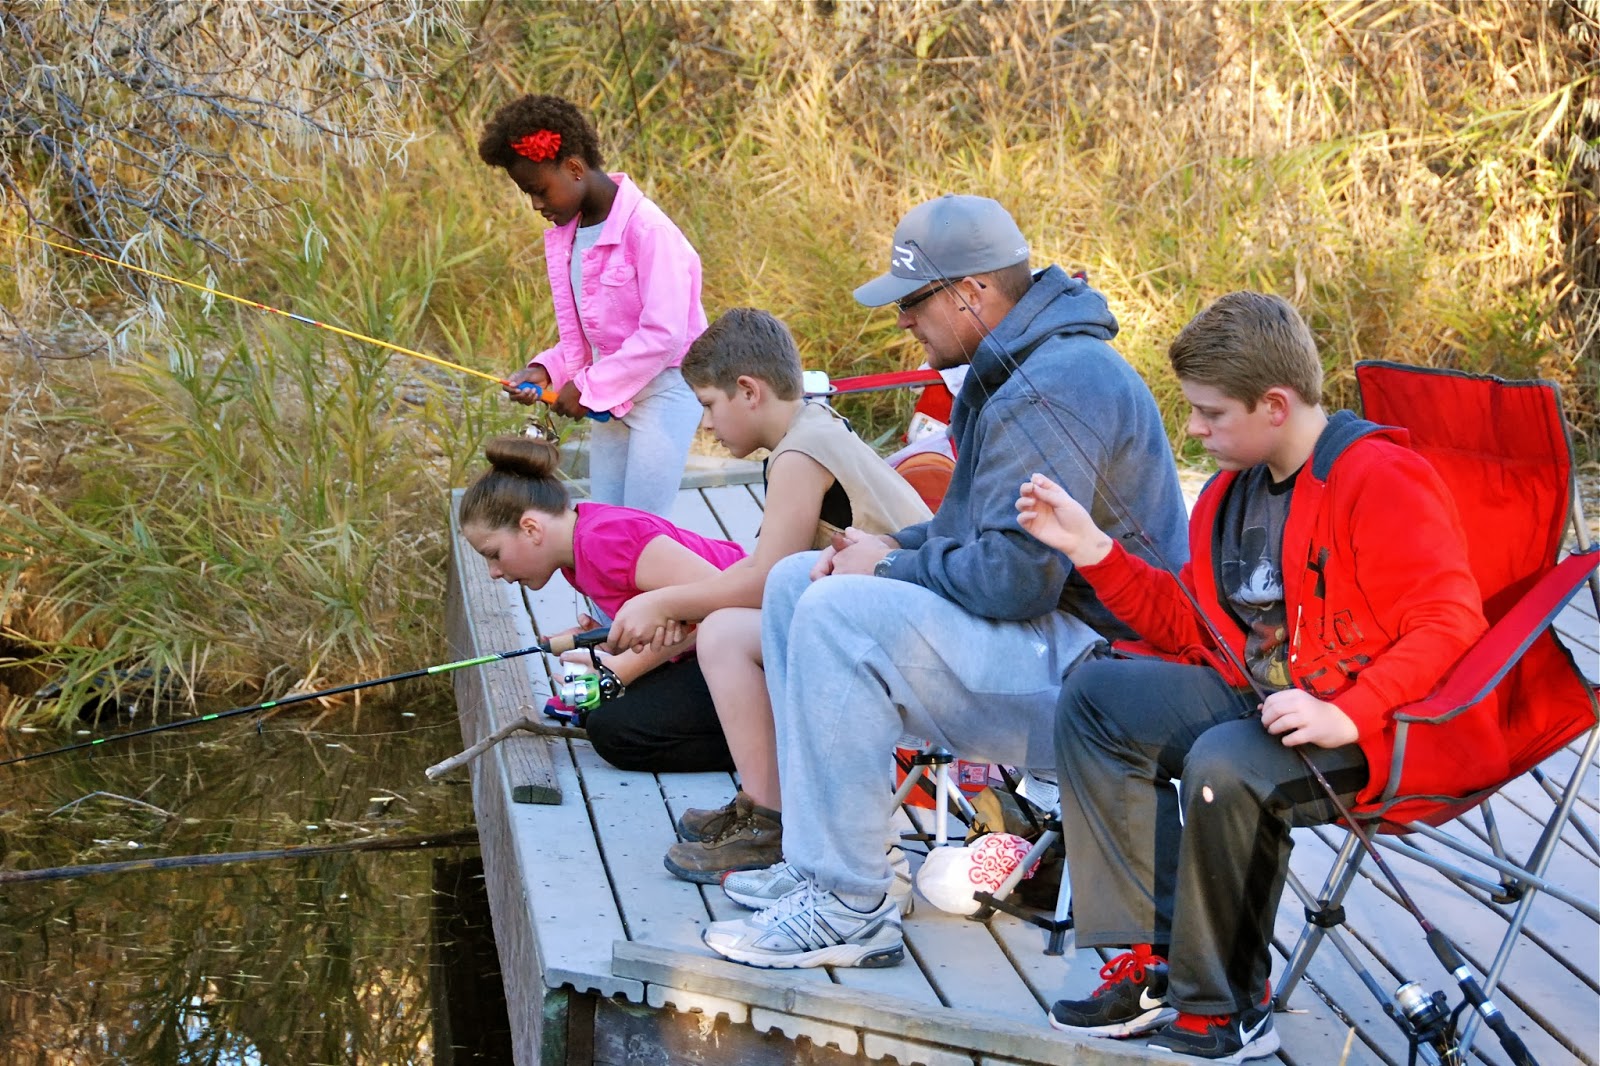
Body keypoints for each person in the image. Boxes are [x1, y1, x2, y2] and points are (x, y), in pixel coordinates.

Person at [1015, 292, 1507, 1061]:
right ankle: (1158, 965)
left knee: (1225, 764)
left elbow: (1449, 624)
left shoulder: (1380, 478)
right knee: (1096, 700)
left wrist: (1350, 712)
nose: (1194, 428)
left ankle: (1225, 1010)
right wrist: (1092, 551)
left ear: (1274, 405)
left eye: (1211, 413)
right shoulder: (1228, 492)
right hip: (1263, 700)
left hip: (1376, 728)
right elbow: (1193, 625)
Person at [701, 194, 1189, 969]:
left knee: (836, 613)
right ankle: (829, 862)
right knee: (798, 582)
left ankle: (850, 908)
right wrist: (887, 543)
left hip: (1104, 678)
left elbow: (1015, 581)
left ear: (973, 292)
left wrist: (889, 566)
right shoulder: (1022, 364)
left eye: (915, 301)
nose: (903, 321)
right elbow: (974, 532)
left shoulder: (1054, 387)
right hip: (1053, 642)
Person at [598, 308, 932, 883]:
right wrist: (690, 606)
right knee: (724, 623)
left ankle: (770, 820)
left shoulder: (801, 453)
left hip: (906, 642)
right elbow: (771, 576)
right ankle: (765, 806)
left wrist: (666, 603)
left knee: (725, 637)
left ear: (748, 391)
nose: (707, 425)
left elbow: (766, 577)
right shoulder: (814, 428)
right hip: (885, 619)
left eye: (709, 405)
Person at [457, 435, 747, 772]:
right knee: (594, 710)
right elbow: (674, 618)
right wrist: (614, 641)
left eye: (494, 554)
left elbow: (724, 601)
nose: (493, 572)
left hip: (754, 651)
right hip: (713, 649)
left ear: (531, 529)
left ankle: (770, 745)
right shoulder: (577, 552)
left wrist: (619, 671)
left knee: (616, 733)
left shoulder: (605, 540)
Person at [478, 94, 705, 516]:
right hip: (610, 397)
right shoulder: (572, 233)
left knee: (642, 524)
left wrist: (587, 387)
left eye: (539, 191)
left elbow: (664, 334)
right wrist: (547, 370)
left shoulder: (650, 231)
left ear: (575, 169)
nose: (536, 205)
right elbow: (593, 335)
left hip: (664, 393)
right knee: (605, 514)